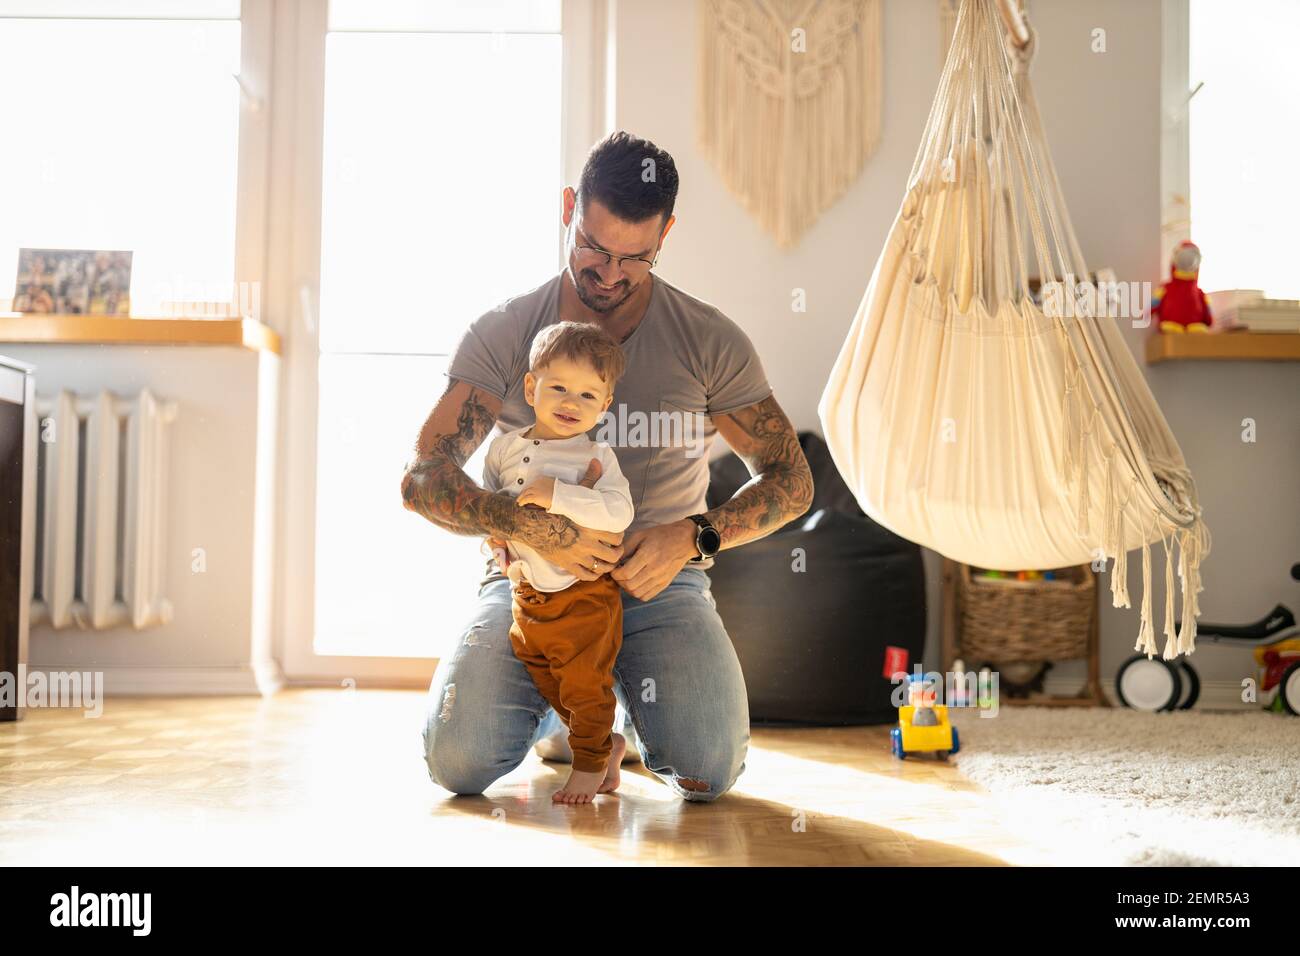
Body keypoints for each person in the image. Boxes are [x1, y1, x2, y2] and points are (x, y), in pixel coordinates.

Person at [403, 130, 814, 803]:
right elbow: (424, 477)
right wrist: (524, 527)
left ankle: (594, 706)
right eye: (594, 248)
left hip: (663, 587)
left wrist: (694, 535)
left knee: (708, 768)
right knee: (457, 762)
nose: (610, 273)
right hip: (530, 587)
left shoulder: (709, 340)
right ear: (570, 206)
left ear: (667, 235)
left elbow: (791, 480)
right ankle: (570, 711)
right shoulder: (507, 333)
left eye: (635, 257)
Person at [485, 320, 634, 804]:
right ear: (532, 387)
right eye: (560, 388)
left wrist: (560, 494)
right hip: (525, 595)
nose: (572, 403)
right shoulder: (504, 448)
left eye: (589, 396)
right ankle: (604, 745)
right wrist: (496, 543)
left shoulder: (594, 456)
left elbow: (619, 513)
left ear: (606, 405)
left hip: (583, 597)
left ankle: (590, 768)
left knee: (585, 684)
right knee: (544, 674)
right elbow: (491, 506)